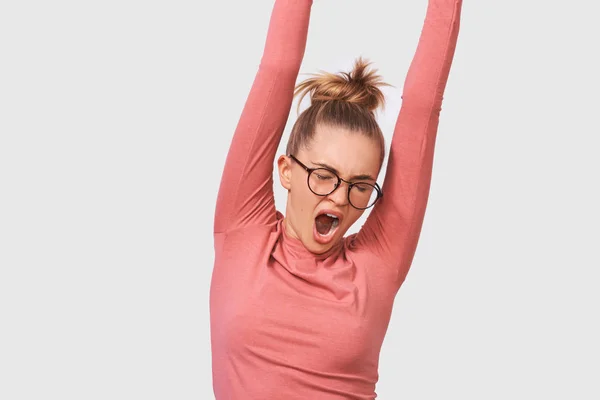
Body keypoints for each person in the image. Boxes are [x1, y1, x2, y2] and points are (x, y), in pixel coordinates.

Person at [210, 0, 462, 398]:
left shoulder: (377, 263)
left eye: (360, 185)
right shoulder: (242, 230)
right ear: (287, 171)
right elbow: (277, 67)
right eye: (324, 177)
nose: (342, 198)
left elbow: (423, 110)